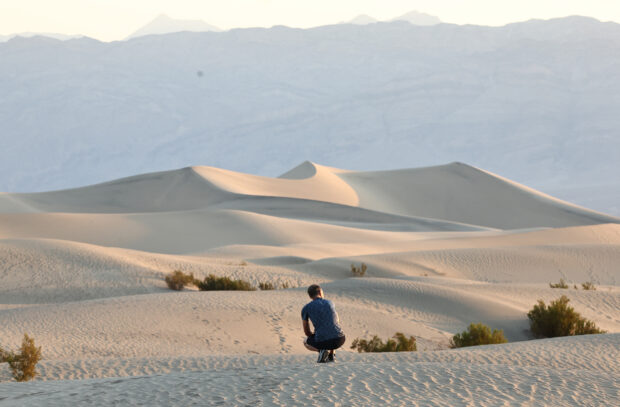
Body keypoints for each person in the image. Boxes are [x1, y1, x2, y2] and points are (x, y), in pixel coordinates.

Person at [301, 284, 346, 363]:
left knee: (305, 341)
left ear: (310, 296)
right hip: (340, 339)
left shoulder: (306, 308)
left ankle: (322, 351)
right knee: (332, 330)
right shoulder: (330, 303)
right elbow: (335, 322)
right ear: (319, 292)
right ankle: (331, 356)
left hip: (323, 341)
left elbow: (306, 332)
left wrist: (314, 335)